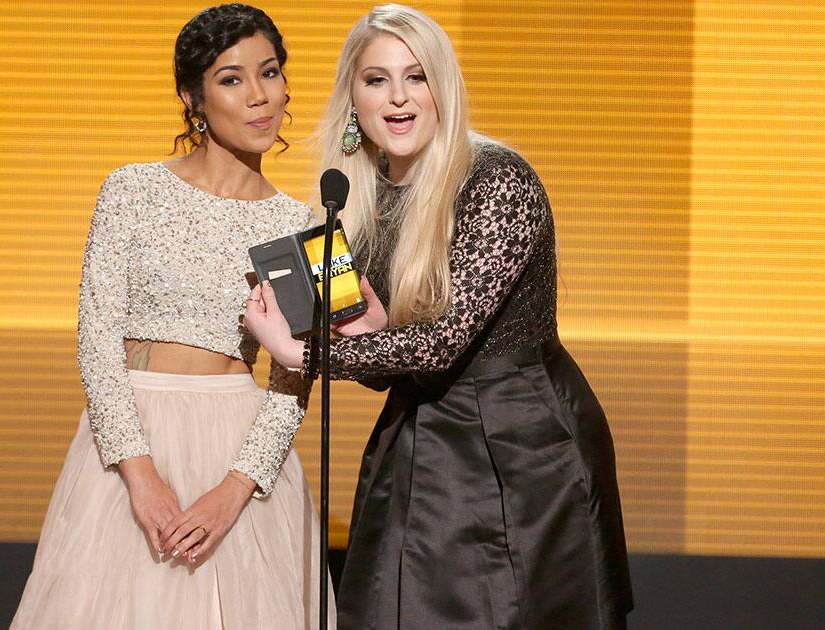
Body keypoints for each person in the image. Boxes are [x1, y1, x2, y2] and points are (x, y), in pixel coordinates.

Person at [244, 4, 633, 629]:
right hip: (420, 435)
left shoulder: (498, 179)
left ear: (443, 87)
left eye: (416, 77)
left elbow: (441, 344)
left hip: (523, 446)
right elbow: (393, 360)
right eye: (377, 80)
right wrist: (370, 337)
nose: (398, 98)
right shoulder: (348, 196)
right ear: (353, 96)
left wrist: (301, 354)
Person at [12, 5, 333, 629]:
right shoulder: (132, 189)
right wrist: (140, 475)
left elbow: (297, 376)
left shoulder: (312, 229)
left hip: (240, 456)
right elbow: (97, 339)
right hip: (131, 443)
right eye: (232, 79)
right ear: (193, 97)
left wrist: (233, 491)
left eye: (270, 73)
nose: (260, 96)